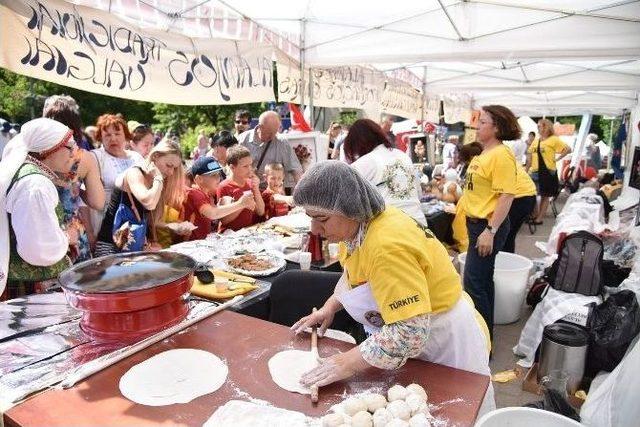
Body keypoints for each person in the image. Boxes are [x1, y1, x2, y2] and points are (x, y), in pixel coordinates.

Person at [288, 161, 493, 414]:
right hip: (417, 339)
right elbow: (357, 276)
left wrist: (346, 363)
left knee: (456, 413)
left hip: (443, 344)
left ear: (349, 209)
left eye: (321, 219)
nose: (315, 230)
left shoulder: (386, 245)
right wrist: (329, 307)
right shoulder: (355, 231)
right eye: (311, 218)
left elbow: (409, 333)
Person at [0, 118, 79, 300]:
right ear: (48, 149)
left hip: (27, 287)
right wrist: (67, 237)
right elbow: (38, 249)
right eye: (70, 147)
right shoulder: (35, 184)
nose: (74, 154)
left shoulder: (27, 174)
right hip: (29, 291)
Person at [462, 105, 519, 340]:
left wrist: (490, 231)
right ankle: (484, 342)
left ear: (497, 128)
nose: (477, 126)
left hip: (486, 226)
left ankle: (480, 344)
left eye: (483, 122)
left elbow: (507, 195)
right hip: (477, 225)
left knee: (475, 284)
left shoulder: (501, 155)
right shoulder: (485, 153)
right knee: (482, 282)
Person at [43, 95, 105, 262]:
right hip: (73, 231)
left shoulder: (34, 153)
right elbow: (98, 202)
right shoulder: (83, 158)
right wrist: (76, 191)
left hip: (42, 228)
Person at [95, 140, 183, 256]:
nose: (171, 172)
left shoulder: (155, 181)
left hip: (132, 247)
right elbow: (149, 202)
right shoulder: (135, 173)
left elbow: (152, 220)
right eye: (169, 166)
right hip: (111, 247)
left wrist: (174, 226)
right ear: (155, 156)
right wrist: (158, 178)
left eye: (174, 168)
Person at [344, 119, 426, 226]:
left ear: (356, 144)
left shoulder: (364, 163)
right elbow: (418, 193)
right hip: (419, 225)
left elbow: (348, 204)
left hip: (390, 230)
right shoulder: (403, 156)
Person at [88, 114, 145, 241]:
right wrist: (90, 233)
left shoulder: (136, 158)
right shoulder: (95, 158)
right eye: (107, 135)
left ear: (125, 135)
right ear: (100, 138)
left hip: (135, 225)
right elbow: (82, 201)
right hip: (105, 228)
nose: (113, 138)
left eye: (117, 133)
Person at [183, 156, 255, 241]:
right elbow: (213, 214)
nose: (218, 178)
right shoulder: (194, 193)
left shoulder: (206, 194)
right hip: (189, 245)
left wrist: (219, 206)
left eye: (218, 174)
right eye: (213, 175)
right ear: (199, 179)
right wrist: (241, 203)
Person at [238, 111, 303, 193]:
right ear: (260, 127)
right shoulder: (242, 140)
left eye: (275, 132)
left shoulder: (281, 142)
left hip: (273, 192)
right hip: (247, 191)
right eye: (269, 133)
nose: (272, 137)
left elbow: (296, 170)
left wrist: (302, 192)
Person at [526, 119, 571, 224]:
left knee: (544, 195)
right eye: (537, 126)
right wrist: (527, 169)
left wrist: (558, 159)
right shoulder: (537, 140)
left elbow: (568, 149)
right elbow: (530, 155)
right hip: (535, 171)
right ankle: (535, 214)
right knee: (531, 194)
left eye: (539, 126)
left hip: (547, 171)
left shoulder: (553, 139)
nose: (538, 128)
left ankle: (539, 218)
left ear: (546, 127)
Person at [216, 145, 264, 232]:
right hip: (228, 234)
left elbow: (260, 211)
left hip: (246, 232)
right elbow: (224, 220)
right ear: (232, 167)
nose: (250, 169)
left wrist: (256, 188)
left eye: (251, 165)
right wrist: (242, 204)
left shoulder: (250, 183)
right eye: (245, 166)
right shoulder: (224, 187)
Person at [503, 163, 537, 253]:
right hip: (529, 194)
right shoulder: (504, 154)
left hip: (519, 197)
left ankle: (504, 262)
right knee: (509, 235)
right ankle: (507, 262)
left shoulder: (488, 160)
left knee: (504, 235)